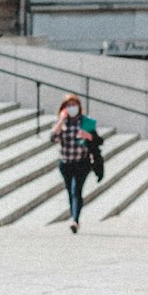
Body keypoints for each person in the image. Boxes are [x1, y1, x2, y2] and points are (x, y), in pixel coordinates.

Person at [50, 93, 93, 233]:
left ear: (79, 107)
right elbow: (53, 138)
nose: (72, 108)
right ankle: (74, 216)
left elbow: (96, 140)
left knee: (76, 190)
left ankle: (75, 220)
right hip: (66, 163)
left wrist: (88, 136)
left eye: (74, 105)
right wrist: (61, 120)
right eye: (69, 105)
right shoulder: (62, 123)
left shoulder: (85, 121)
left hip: (82, 163)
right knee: (70, 191)